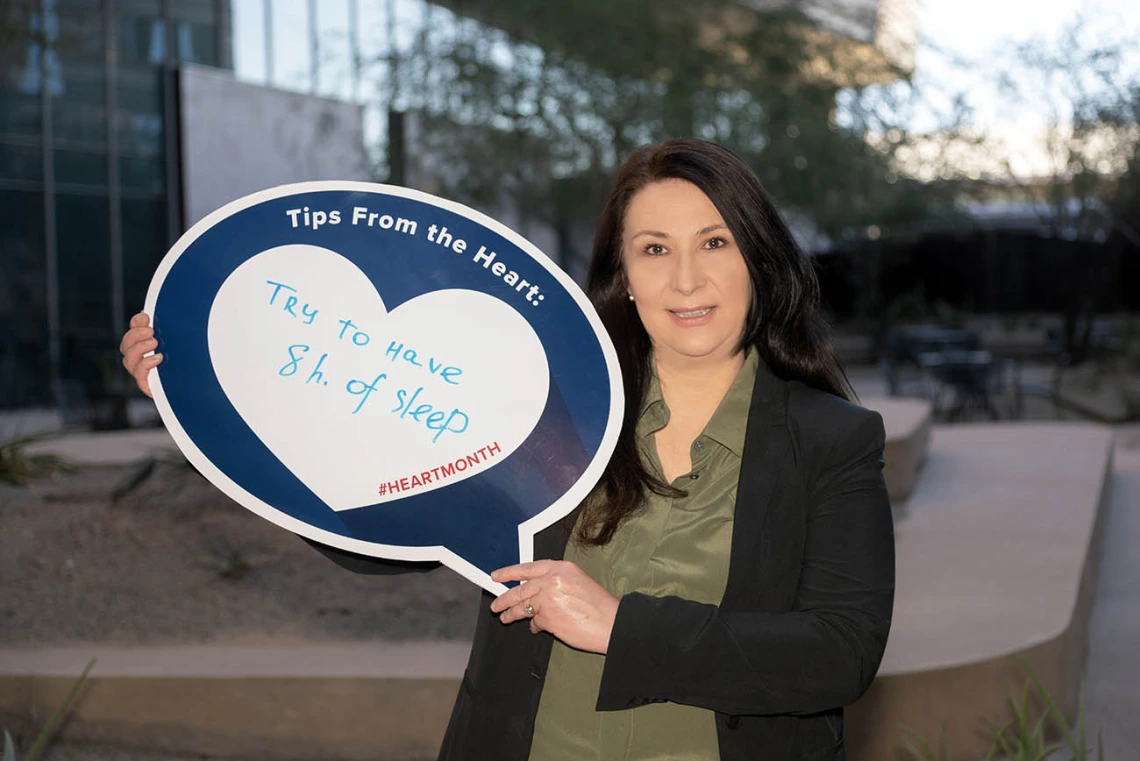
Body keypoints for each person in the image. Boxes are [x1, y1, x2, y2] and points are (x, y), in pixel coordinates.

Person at [120, 138, 894, 761]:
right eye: (654, 249)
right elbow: (389, 538)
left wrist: (622, 626)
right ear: (623, 274)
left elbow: (839, 652)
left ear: (756, 260)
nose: (686, 278)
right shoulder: (548, 406)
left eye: (714, 241)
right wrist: (210, 406)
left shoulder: (833, 441)